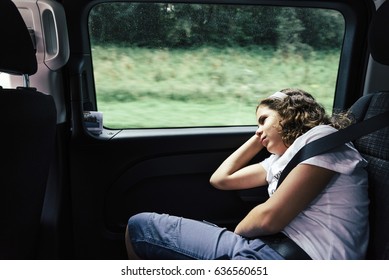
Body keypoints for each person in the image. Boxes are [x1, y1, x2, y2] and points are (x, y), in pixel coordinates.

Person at [125, 88, 369, 260]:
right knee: (140, 227)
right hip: (273, 248)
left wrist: (237, 241)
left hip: (303, 257)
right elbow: (221, 179)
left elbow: (268, 218)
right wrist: (259, 137)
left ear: (289, 113)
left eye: (264, 120)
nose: (258, 130)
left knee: (142, 230)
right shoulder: (279, 161)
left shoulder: (322, 138)